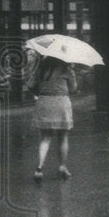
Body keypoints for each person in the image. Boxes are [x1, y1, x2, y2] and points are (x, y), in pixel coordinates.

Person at [26, 54, 77, 182]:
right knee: (63, 137)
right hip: (61, 102)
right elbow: (73, 88)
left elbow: (30, 85)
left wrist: (40, 91)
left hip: (44, 102)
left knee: (45, 138)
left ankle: (39, 168)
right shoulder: (67, 68)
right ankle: (62, 166)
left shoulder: (41, 68)